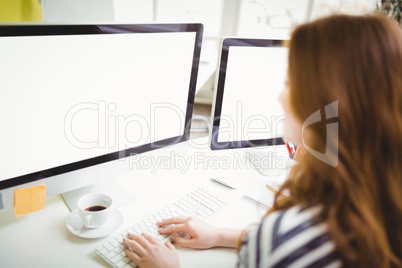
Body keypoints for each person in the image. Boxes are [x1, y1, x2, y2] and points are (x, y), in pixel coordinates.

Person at [123, 13, 402, 268]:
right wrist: (223, 235)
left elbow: (286, 249)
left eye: (292, 84)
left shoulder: (283, 243)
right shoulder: (382, 201)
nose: (281, 97)